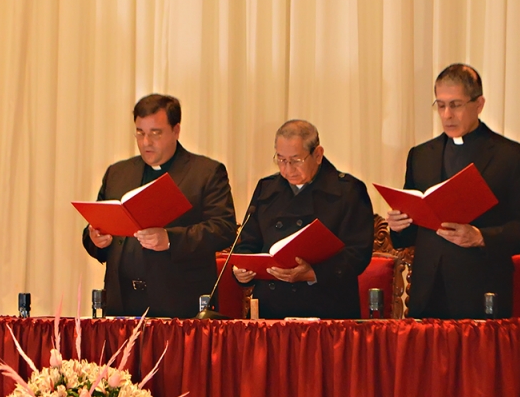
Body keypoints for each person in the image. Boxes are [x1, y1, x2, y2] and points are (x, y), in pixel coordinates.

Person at [386, 64, 520, 318]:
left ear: (479, 104)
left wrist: (481, 237)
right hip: (427, 293)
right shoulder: (421, 156)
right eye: (440, 105)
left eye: (456, 105)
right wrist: (399, 226)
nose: (447, 115)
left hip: (482, 291)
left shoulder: (511, 157)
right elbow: (410, 233)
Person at [82, 94, 236, 318]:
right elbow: (96, 229)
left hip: (180, 304)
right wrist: (96, 239)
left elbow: (224, 229)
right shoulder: (118, 173)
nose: (146, 142)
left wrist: (171, 239)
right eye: (140, 133)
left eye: (155, 133)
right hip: (121, 303)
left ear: (176, 130)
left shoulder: (205, 173)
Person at [232, 120, 374, 319]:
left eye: (296, 160)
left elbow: (358, 252)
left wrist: (314, 273)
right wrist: (242, 271)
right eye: (281, 159)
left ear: (318, 155)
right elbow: (248, 243)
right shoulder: (267, 188)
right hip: (272, 309)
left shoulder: (347, 190)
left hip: (327, 308)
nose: (287, 169)